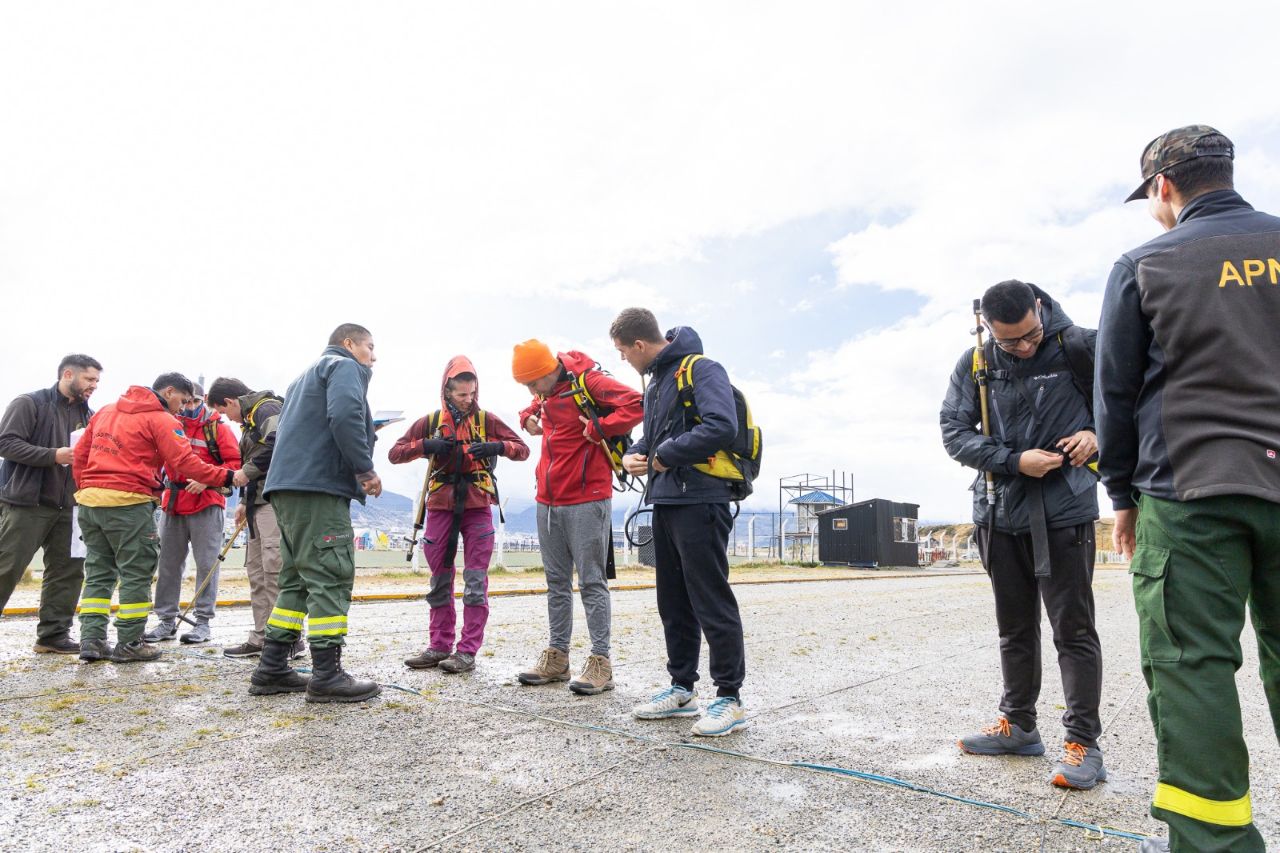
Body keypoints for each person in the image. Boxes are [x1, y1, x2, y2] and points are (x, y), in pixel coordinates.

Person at [1096, 125, 1280, 853]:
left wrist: (1119, 495)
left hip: (1191, 489)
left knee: (1192, 667)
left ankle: (1215, 845)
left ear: (1163, 188)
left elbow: (1114, 392)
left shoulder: (1146, 262)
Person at [940, 280, 1105, 789]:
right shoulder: (975, 363)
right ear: (988, 327)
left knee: (1073, 631)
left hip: (1065, 513)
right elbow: (954, 433)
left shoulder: (1081, 346)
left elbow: (1129, 404)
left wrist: (1096, 434)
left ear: (1040, 309)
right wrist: (1013, 461)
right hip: (998, 514)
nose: (1025, 347)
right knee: (1014, 628)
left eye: (1031, 335)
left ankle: (1083, 743)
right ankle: (1018, 726)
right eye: (1011, 342)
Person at [611, 308, 748, 737]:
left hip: (702, 500)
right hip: (666, 501)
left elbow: (721, 426)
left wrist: (664, 456)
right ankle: (681, 688)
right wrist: (635, 451)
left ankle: (729, 697)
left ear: (639, 345)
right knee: (673, 601)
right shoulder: (657, 384)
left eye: (622, 352)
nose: (623, 361)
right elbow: (652, 438)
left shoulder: (702, 370)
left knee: (710, 598)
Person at [249, 323, 383, 703]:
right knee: (330, 575)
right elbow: (344, 416)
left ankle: (272, 665)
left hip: (285, 489)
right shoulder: (344, 367)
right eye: (369, 347)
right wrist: (365, 467)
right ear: (348, 344)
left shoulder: (301, 378)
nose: (374, 357)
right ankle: (327, 674)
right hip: (318, 489)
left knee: (296, 580)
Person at [72, 373, 235, 663]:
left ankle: (92, 640)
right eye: (182, 401)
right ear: (169, 391)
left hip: (91, 503)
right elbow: (184, 462)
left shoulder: (107, 411)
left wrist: (87, 488)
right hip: (129, 504)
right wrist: (226, 477)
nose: (183, 408)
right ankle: (130, 643)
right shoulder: (161, 420)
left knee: (98, 573)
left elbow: (81, 455)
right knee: (136, 574)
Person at [510, 339, 643, 694]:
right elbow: (533, 405)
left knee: (591, 582)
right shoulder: (546, 392)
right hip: (547, 499)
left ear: (546, 371)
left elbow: (637, 404)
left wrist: (600, 428)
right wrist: (528, 417)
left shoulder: (590, 382)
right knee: (556, 582)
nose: (530, 390)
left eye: (532, 382)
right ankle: (558, 657)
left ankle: (601, 662)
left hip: (587, 496)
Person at [389, 356, 528, 674]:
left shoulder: (486, 419)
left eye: (472, 393)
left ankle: (466, 651)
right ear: (447, 391)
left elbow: (521, 448)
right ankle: (438, 646)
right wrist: (426, 444)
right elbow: (395, 452)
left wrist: (496, 448)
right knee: (439, 581)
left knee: (476, 582)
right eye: (462, 394)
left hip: (478, 507)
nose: (468, 400)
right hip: (439, 507)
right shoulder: (430, 420)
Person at [0, 354, 102, 654]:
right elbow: (5, 442)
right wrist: (53, 455)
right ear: (68, 374)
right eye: (89, 379)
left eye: (96, 381)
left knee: (68, 571)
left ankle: (53, 635)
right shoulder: (29, 403)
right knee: (6, 567)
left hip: (71, 508)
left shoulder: (91, 415)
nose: (93, 386)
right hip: (27, 504)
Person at [206, 377, 304, 659]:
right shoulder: (249, 421)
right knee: (258, 573)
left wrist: (245, 474)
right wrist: (244, 501)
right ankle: (264, 636)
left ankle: (290, 638)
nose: (228, 419)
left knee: (276, 571)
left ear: (230, 402)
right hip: (257, 503)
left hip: (276, 501)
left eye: (225, 413)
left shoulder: (267, 409)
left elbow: (277, 445)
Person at [142, 382, 241, 645]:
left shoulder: (218, 428)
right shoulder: (168, 423)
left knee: (207, 565)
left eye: (194, 402)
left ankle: (202, 622)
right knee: (168, 565)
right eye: (185, 402)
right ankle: (166, 620)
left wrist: (207, 481)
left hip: (207, 502)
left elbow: (235, 465)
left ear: (203, 400)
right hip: (172, 502)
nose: (189, 407)